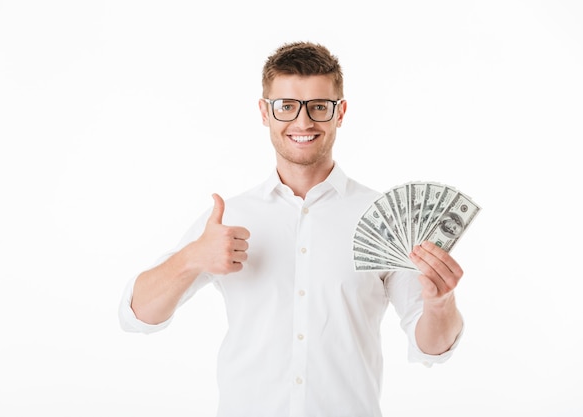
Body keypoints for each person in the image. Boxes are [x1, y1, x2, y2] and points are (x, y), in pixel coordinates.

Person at [119, 41, 465, 417]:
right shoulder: (229, 216)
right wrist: (190, 258)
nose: (303, 122)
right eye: (286, 106)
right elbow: (137, 316)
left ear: (341, 112)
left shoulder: (384, 219)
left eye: (319, 106)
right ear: (265, 113)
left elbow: (433, 347)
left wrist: (440, 302)